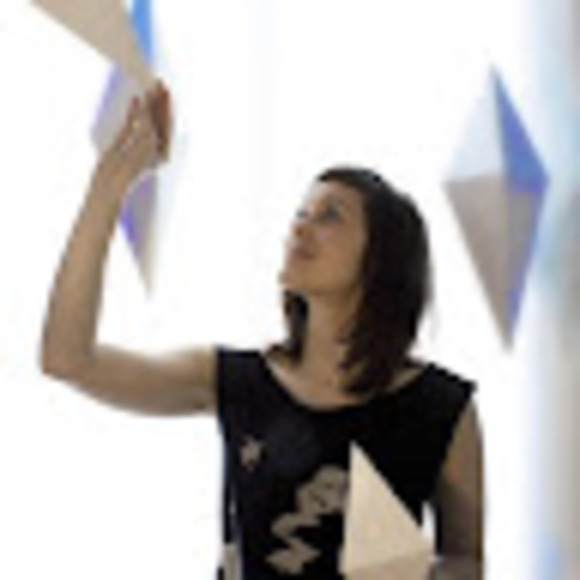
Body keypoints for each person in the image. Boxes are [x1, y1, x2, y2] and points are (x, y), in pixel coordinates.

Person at [41, 81, 484, 579]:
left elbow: (467, 559)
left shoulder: (443, 407)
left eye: (330, 216)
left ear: (381, 260)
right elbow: (66, 358)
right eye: (300, 214)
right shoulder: (234, 379)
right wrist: (111, 183)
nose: (299, 228)